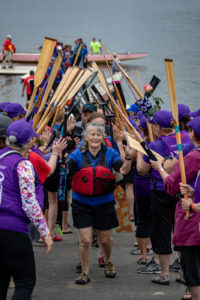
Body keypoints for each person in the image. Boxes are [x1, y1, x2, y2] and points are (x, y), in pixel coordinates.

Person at [67, 123, 134, 284]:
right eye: (92, 134)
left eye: (98, 134)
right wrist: (62, 161)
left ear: (103, 138)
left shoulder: (110, 153)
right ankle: (85, 272)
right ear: (86, 137)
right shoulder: (77, 154)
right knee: (85, 240)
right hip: (81, 203)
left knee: (105, 240)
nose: (95, 137)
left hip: (104, 202)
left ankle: (108, 260)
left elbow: (124, 170)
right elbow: (67, 168)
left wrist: (129, 157)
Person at [0, 119, 53, 300]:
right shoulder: (22, 165)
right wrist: (45, 232)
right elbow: (30, 203)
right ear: (27, 142)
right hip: (14, 230)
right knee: (25, 282)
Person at [136, 110, 190, 285]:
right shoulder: (186, 139)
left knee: (162, 232)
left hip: (161, 190)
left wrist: (142, 149)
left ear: (158, 127)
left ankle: (164, 273)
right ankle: (183, 272)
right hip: (183, 189)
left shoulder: (154, 145)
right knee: (181, 230)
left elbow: (142, 170)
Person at [150, 116, 200, 300]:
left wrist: (160, 169)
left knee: (192, 266)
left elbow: (171, 185)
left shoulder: (193, 156)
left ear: (193, 133)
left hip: (193, 218)